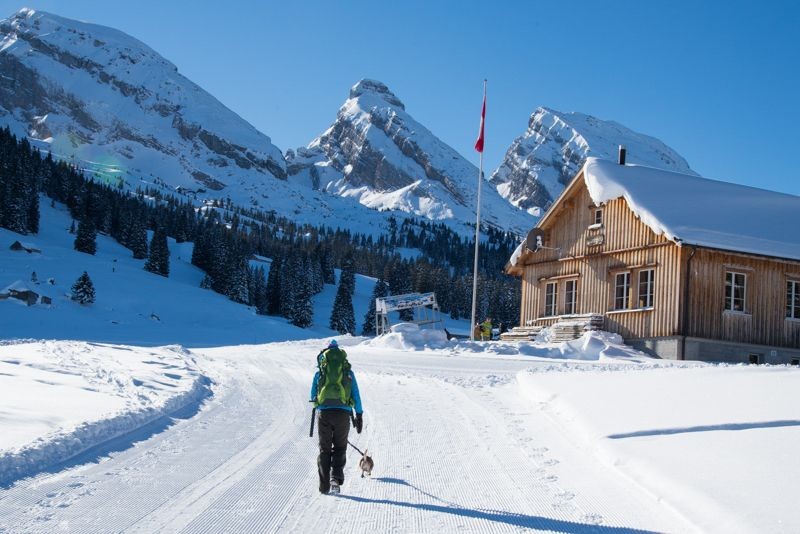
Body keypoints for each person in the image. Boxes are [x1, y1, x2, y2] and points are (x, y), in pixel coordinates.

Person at [310, 339, 364, 494]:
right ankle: (335, 479)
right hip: (343, 415)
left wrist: (319, 405)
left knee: (324, 449)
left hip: (324, 414)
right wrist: (359, 415)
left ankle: (324, 486)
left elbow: (313, 395)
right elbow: (356, 395)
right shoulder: (348, 373)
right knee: (340, 447)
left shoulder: (320, 372)